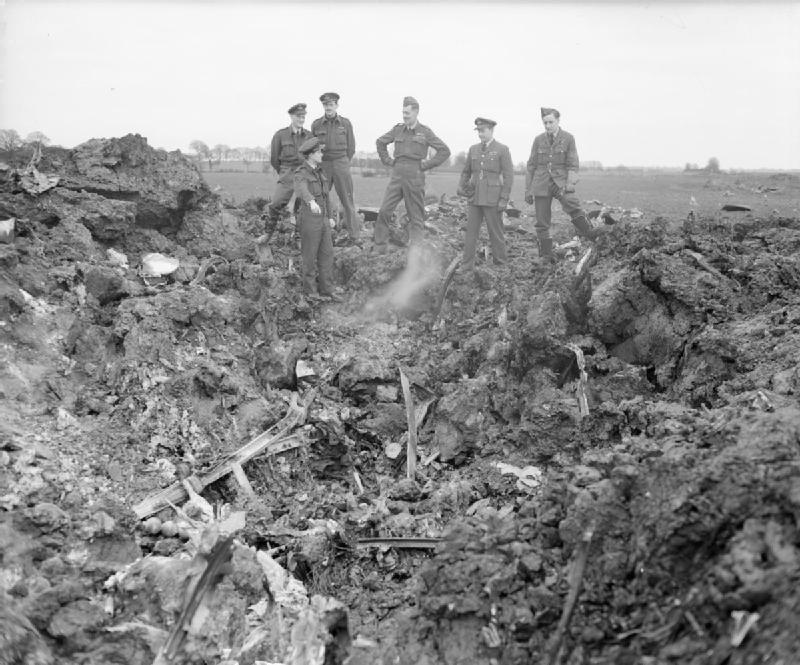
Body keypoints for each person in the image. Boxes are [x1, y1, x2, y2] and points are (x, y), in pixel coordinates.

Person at [374, 96, 451, 253]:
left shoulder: (425, 132)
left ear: (416, 112)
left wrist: (426, 165)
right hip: (397, 173)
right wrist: (388, 161)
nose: (405, 116)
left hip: (415, 174)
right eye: (403, 112)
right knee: (384, 211)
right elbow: (380, 142)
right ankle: (379, 247)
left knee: (416, 215)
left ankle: (416, 251)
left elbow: (444, 151)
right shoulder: (397, 129)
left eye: (407, 113)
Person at [524, 107, 596, 259]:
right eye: (545, 123)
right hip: (541, 183)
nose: (548, 125)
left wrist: (569, 185)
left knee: (573, 205)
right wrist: (528, 189)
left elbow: (573, 164)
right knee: (542, 221)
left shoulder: (568, 138)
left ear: (558, 121)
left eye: (551, 122)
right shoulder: (538, 140)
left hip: (561, 181)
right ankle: (546, 255)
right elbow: (531, 165)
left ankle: (591, 235)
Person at [457, 117, 514, 272]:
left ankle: (501, 265)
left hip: (493, 198)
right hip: (474, 197)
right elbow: (466, 171)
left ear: (491, 130)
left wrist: (504, 198)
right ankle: (466, 265)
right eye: (478, 131)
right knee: (471, 232)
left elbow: (509, 176)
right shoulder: (473, 149)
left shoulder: (502, 149)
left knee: (495, 232)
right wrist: (461, 185)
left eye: (483, 131)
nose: (480, 134)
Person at [293, 137, 341, 301]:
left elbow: (327, 198)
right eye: (319, 151)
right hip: (309, 220)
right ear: (311, 154)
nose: (322, 154)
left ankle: (327, 290)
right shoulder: (301, 172)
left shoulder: (320, 173)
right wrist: (311, 201)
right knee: (309, 257)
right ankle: (311, 293)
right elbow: (301, 189)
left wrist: (330, 217)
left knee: (327, 256)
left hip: (323, 221)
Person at [311, 92, 362, 245]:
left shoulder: (345, 124)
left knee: (347, 200)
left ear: (336, 106)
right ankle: (319, 235)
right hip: (323, 164)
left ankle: (354, 237)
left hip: (341, 164)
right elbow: (312, 148)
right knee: (320, 199)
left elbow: (351, 147)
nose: (328, 107)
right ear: (323, 106)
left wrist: (344, 162)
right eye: (326, 105)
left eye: (331, 104)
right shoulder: (316, 125)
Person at [265, 103, 312, 236]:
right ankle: (268, 233)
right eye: (298, 116)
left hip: (304, 174)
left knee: (305, 205)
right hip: (287, 174)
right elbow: (274, 159)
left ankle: (299, 235)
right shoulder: (280, 135)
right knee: (276, 204)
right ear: (291, 116)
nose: (301, 119)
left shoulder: (309, 136)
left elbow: (313, 157)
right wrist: (284, 173)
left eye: (303, 117)